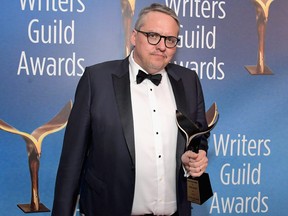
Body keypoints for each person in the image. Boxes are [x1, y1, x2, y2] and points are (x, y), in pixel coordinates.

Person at [52, 3, 209, 216]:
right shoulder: (96, 80)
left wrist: (194, 157)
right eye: (153, 35)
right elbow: (72, 162)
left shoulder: (189, 80)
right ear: (134, 37)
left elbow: (199, 136)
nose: (162, 46)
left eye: (170, 40)